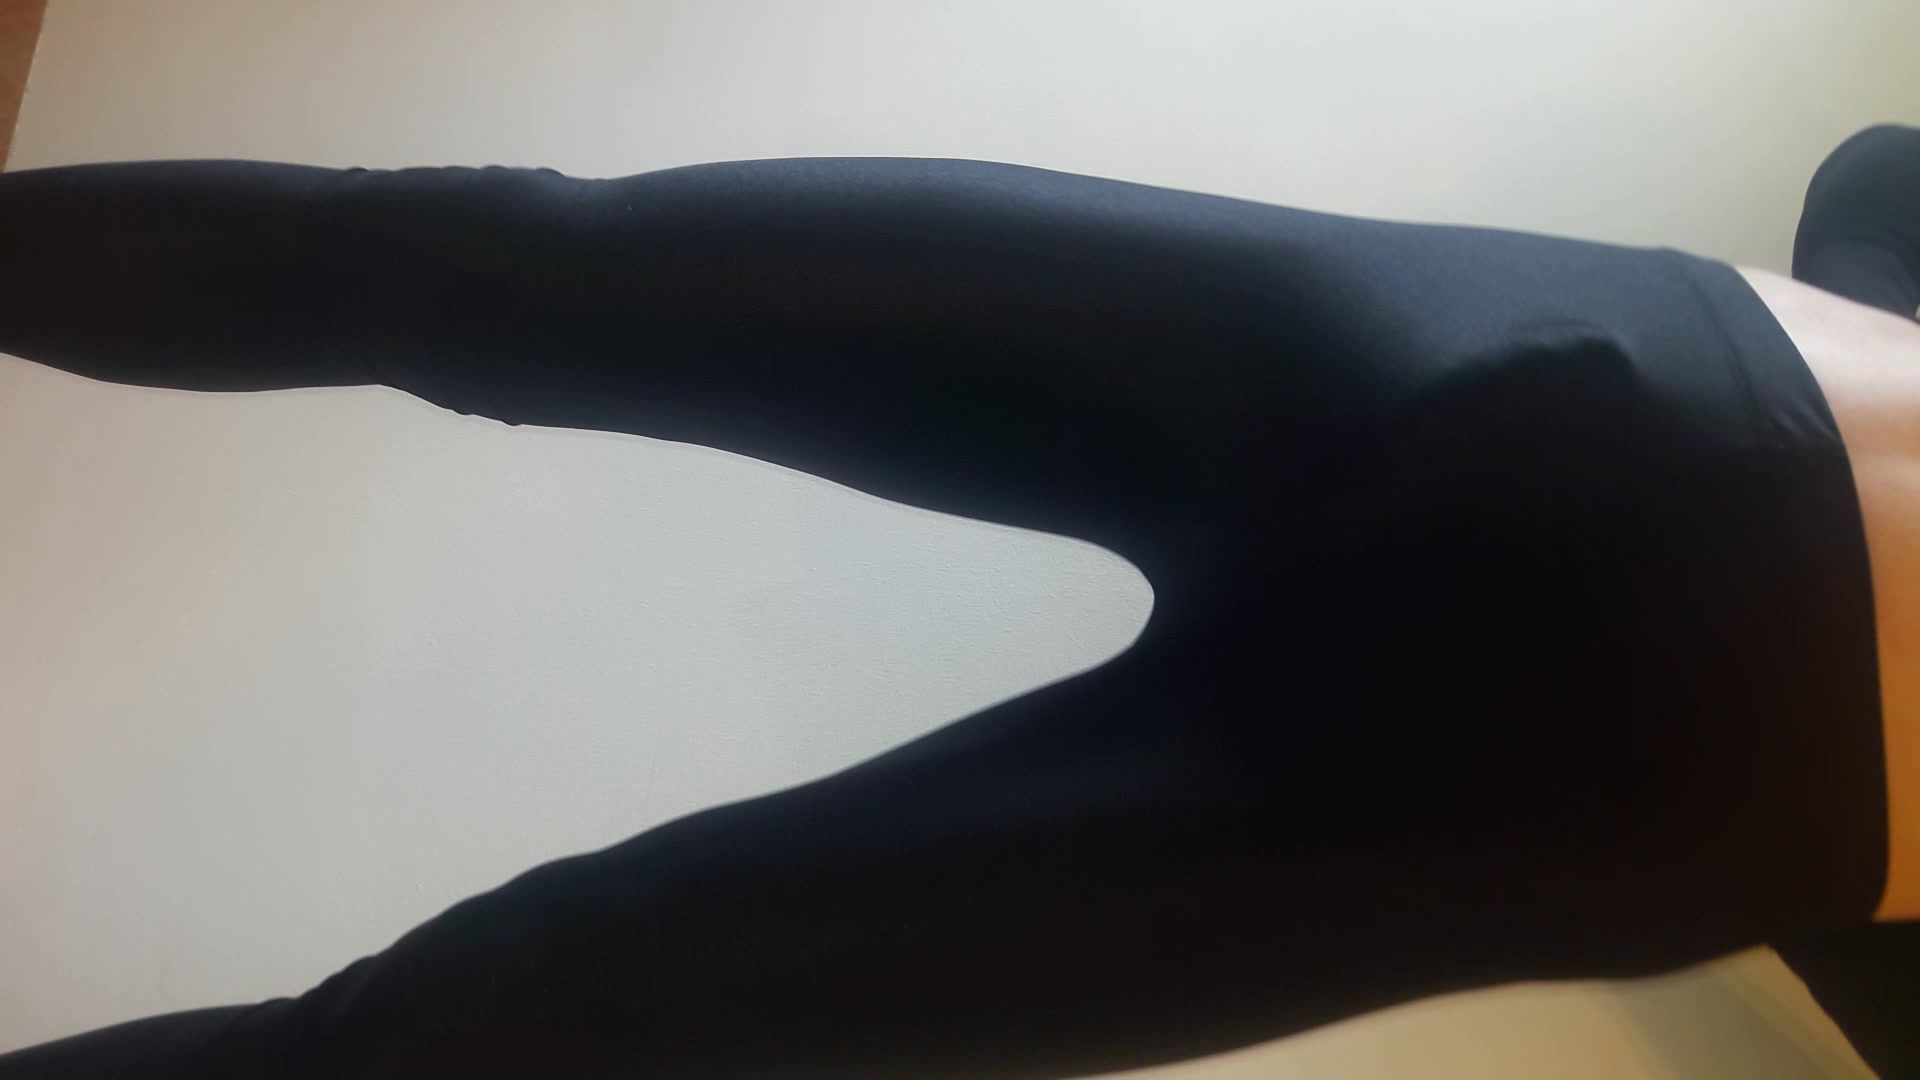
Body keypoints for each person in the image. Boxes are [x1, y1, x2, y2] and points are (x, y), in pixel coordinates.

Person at [0, 125, 1915, 1079]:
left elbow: (1877, 181)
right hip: (1629, 766)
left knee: (485, 267)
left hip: (1602, 399)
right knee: (484, 1037)